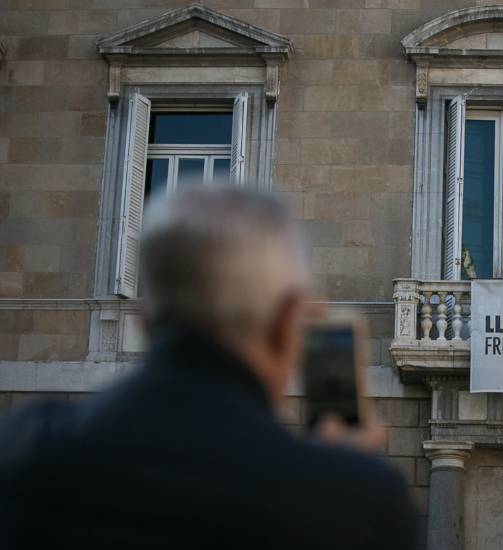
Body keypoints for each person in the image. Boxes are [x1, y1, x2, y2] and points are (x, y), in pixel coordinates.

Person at [0, 188, 415, 549]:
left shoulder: (22, 448)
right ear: (288, 323)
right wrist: (341, 483)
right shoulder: (357, 501)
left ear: (143, 319)